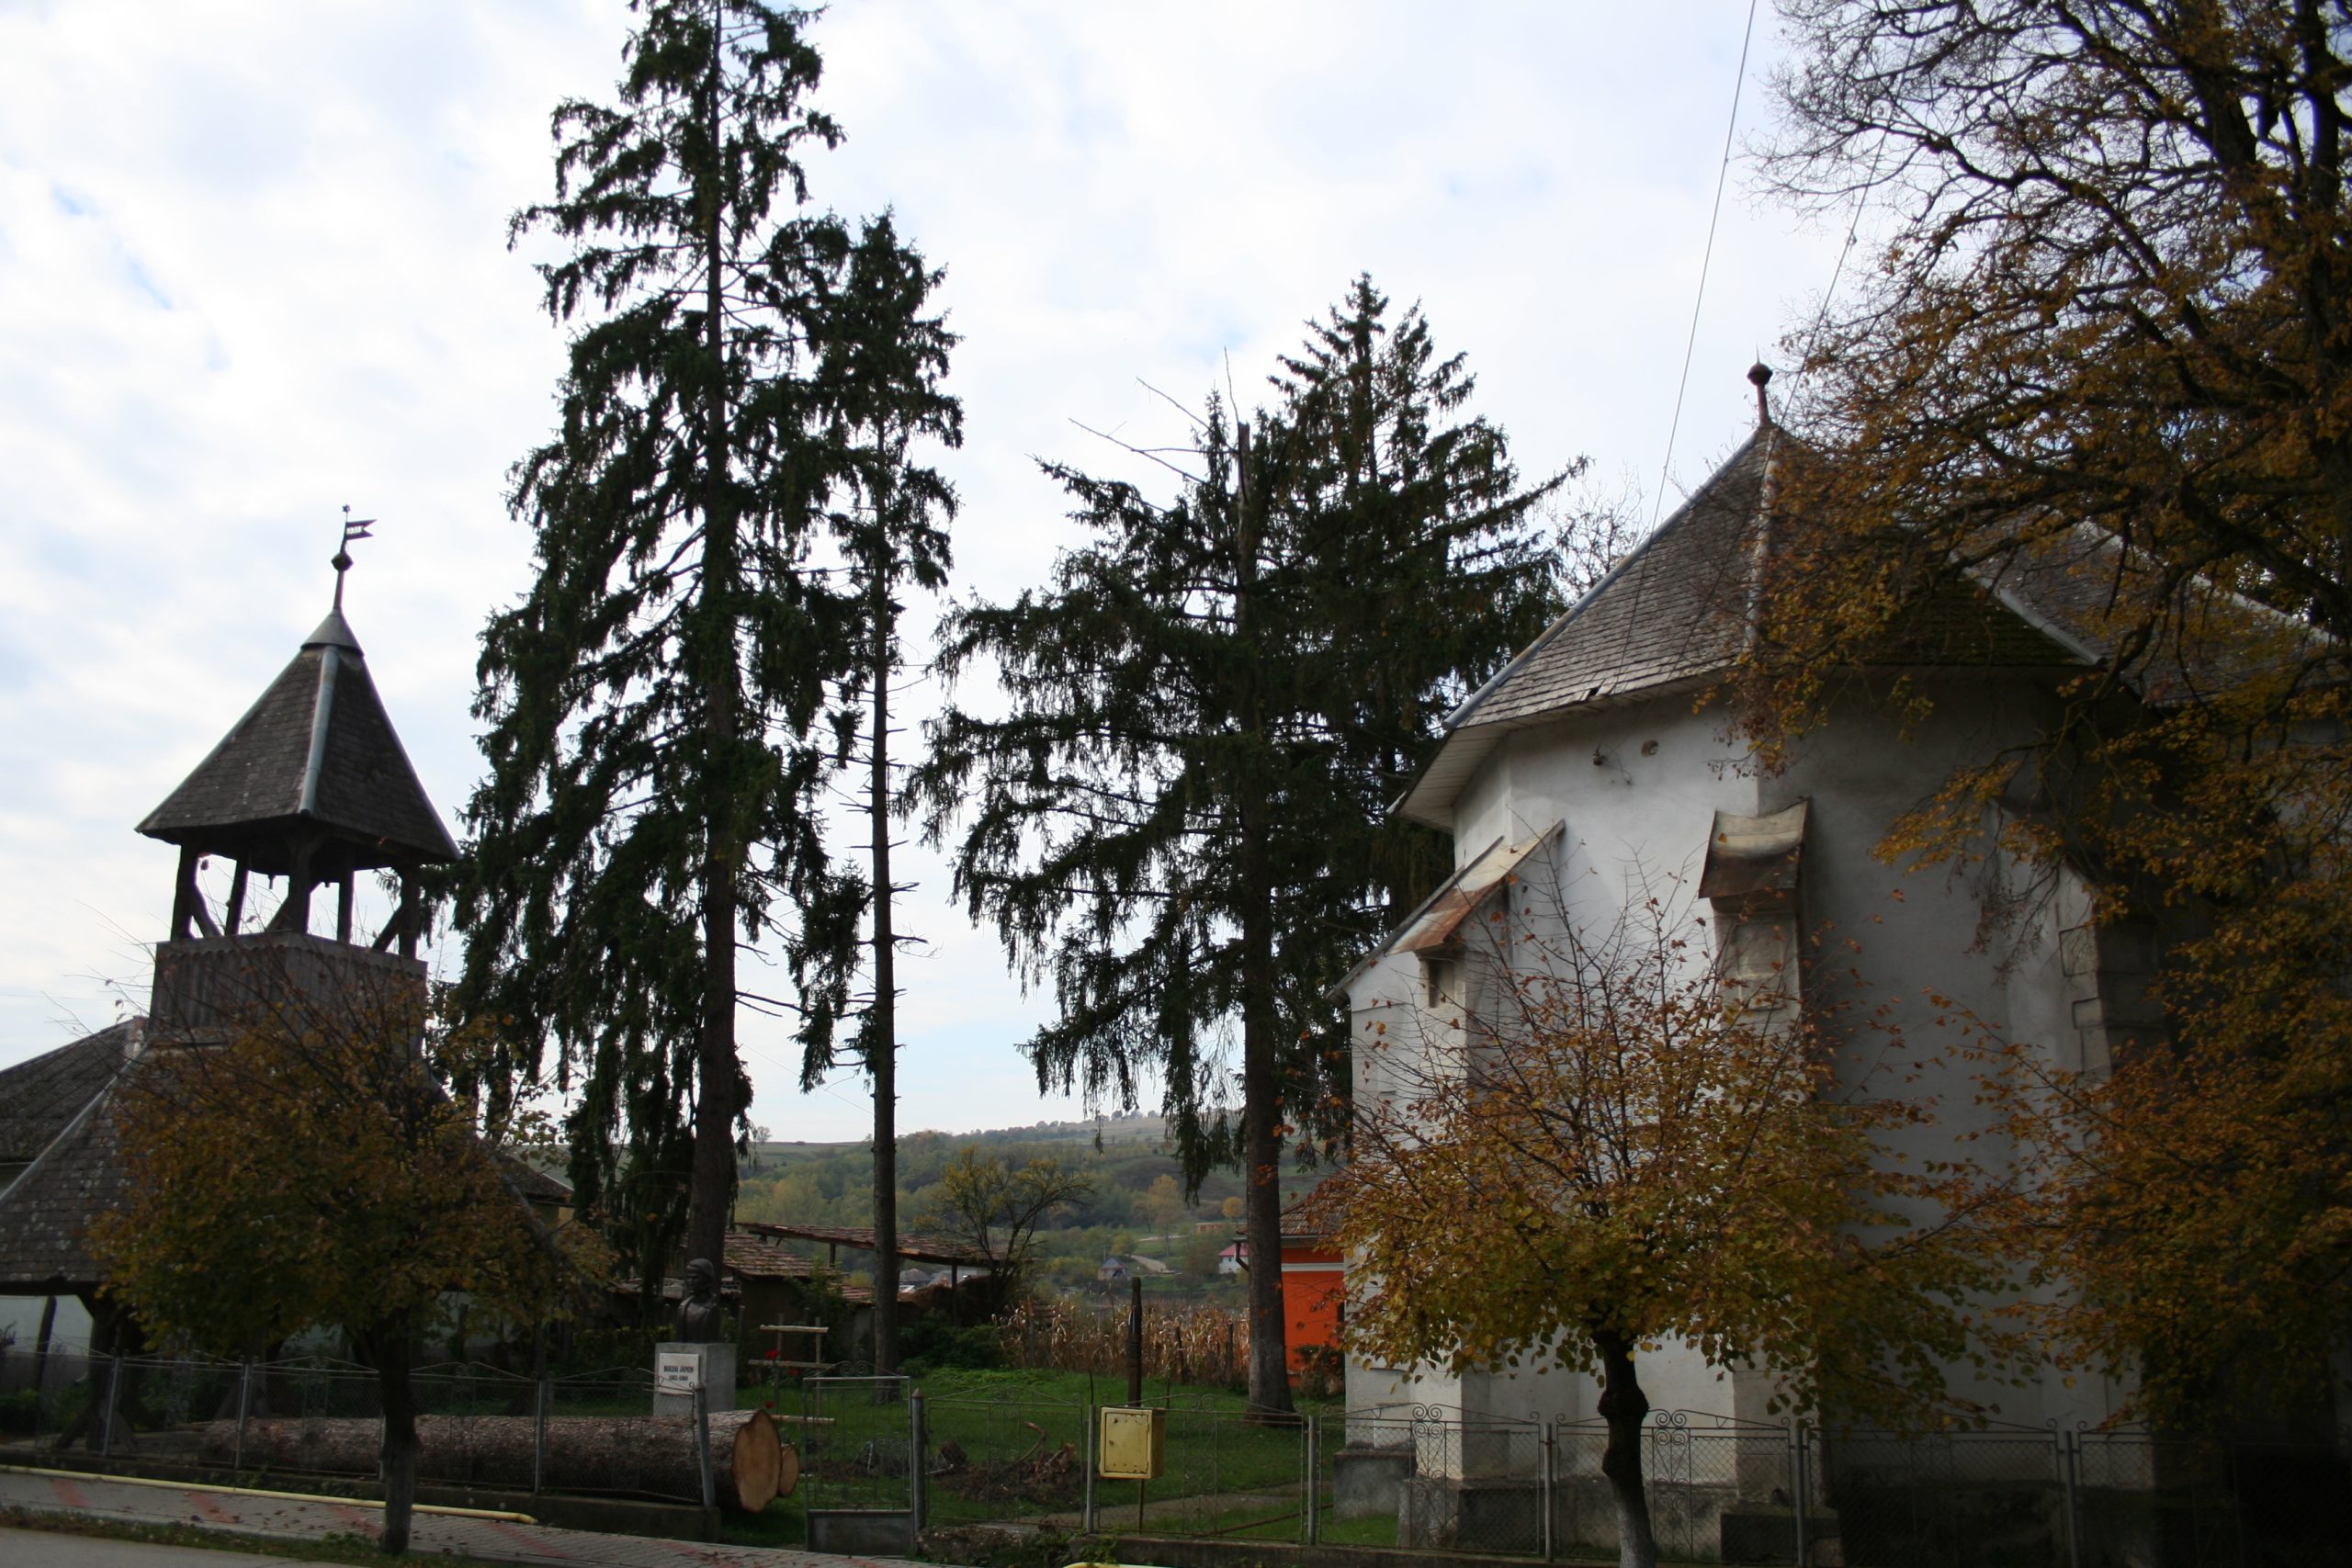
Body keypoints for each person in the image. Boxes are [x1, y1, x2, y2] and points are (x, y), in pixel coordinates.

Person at [677, 1257, 724, 1341]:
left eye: (695, 1278)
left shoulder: (712, 1308)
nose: (690, 1281)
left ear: (708, 1280)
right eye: (688, 1278)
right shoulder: (683, 1307)